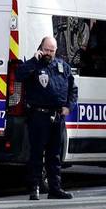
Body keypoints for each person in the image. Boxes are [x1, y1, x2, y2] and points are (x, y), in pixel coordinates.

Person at [17, 36, 77, 200]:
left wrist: (69, 106)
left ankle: (55, 188)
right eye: (46, 50)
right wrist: (33, 61)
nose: (49, 53)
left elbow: (73, 89)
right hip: (39, 115)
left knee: (55, 155)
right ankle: (34, 188)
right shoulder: (34, 65)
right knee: (36, 154)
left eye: (52, 50)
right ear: (40, 48)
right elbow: (19, 75)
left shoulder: (62, 66)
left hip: (57, 116)